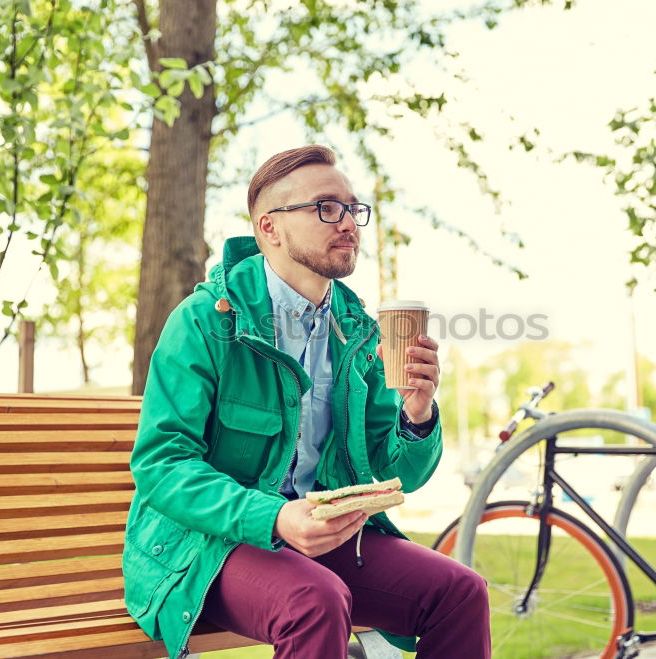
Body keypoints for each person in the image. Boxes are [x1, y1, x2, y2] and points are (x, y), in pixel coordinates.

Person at [123, 145, 491, 659]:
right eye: (325, 207)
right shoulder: (207, 320)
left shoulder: (358, 331)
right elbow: (162, 466)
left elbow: (391, 472)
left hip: (323, 538)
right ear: (269, 228)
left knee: (459, 591)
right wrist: (274, 518)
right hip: (208, 546)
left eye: (352, 208)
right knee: (316, 600)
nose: (348, 223)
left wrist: (416, 413)